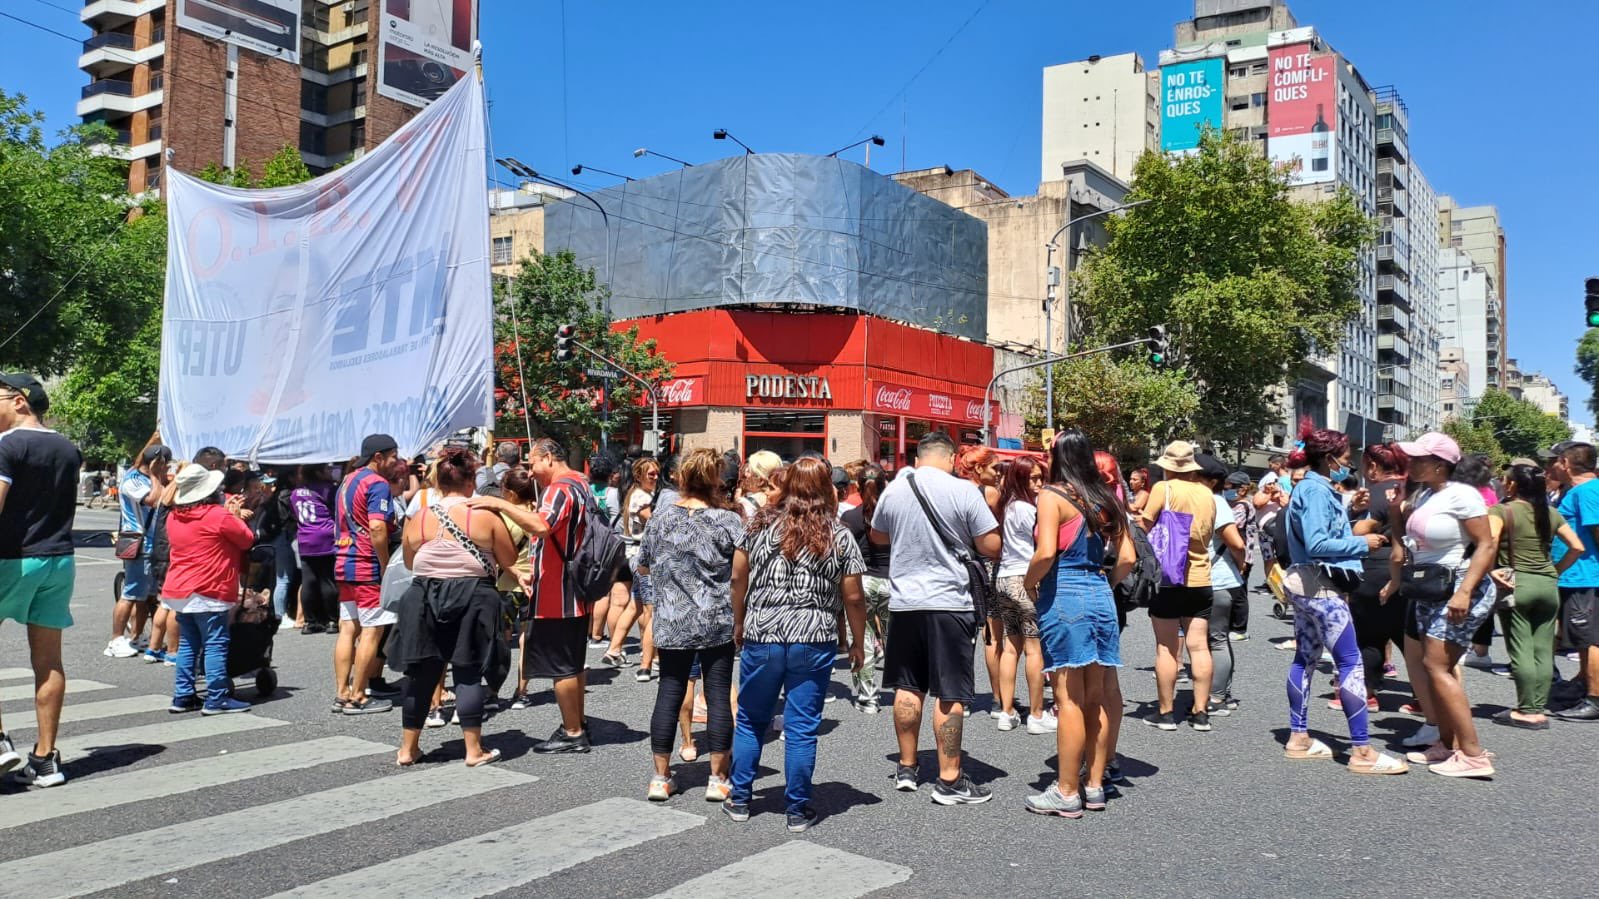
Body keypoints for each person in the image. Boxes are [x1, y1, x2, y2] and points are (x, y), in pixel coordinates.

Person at [726, 456, 866, 831]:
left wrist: (739, 620)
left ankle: (739, 798)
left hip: (763, 633)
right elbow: (853, 596)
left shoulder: (758, 526)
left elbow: (738, 578)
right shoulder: (838, 533)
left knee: (751, 720)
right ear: (827, 490)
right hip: (813, 636)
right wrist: (856, 641)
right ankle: (796, 809)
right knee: (801, 727)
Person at [870, 430, 1001, 805]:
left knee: (907, 686)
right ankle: (949, 778)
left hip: (905, 602)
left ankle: (907, 767)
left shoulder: (895, 488)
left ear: (918, 458)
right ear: (948, 458)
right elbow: (990, 545)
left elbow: (878, 536)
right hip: (949, 602)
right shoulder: (963, 490)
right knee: (950, 692)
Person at [1021, 430, 1135, 817]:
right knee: (1097, 695)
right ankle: (1095, 784)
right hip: (1100, 594)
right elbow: (1128, 558)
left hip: (1064, 593)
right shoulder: (1106, 497)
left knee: (1068, 699)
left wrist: (1029, 581)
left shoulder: (1052, 496)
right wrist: (1106, 584)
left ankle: (1067, 791)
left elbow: (1046, 551)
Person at [1279, 426, 1405, 773]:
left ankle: (1298, 736)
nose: (1348, 464)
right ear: (1329, 457)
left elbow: (1316, 535)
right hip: (1320, 585)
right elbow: (1319, 544)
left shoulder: (1312, 487)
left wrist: (1350, 510)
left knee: (1305, 658)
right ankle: (1362, 751)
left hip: (1303, 582)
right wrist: (1363, 543)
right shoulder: (1316, 490)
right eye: (1346, 457)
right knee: (1350, 661)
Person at [391, 447, 517, 767]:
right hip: (473, 593)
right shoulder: (485, 516)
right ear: (471, 481)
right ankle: (473, 750)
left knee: (421, 673)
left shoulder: (418, 518)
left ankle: (408, 749)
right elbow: (509, 559)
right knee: (468, 669)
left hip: (423, 595)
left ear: (438, 482)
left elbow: (409, 562)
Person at [1385, 432, 1498, 777]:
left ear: (1440, 464)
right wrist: (1395, 509)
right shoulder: (1428, 495)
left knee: (1437, 668)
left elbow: (1486, 545)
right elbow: (1408, 543)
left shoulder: (1463, 495)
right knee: (1435, 668)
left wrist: (1464, 591)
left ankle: (1474, 755)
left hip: (1456, 591)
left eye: (1419, 459)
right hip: (1430, 590)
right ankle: (1447, 746)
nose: (1412, 463)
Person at [635, 448, 743, 802]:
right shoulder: (727, 521)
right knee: (717, 695)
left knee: (669, 692)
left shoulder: (661, 519)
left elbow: (644, 565)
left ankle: (661, 777)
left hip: (672, 617)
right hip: (715, 617)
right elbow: (742, 572)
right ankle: (717, 777)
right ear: (715, 479)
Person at [474, 438, 594, 753]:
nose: (531, 470)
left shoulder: (559, 489)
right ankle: (577, 723)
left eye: (533, 462)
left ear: (550, 458)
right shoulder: (581, 483)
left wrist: (501, 504)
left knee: (562, 666)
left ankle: (572, 732)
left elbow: (541, 526)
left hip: (559, 589)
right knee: (573, 662)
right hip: (577, 586)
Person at [0, 373, 82, 787]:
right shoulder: (68, 448)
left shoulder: (7, 445)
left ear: (19, 401)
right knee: (48, 661)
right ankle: (46, 760)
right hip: (58, 560)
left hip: (10, 560)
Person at [1489, 462, 1585, 729]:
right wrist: (1555, 570)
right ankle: (1539, 706)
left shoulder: (1501, 510)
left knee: (1521, 648)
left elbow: (1490, 542)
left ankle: (1527, 709)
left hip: (1516, 584)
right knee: (1543, 648)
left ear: (1512, 485)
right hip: (1547, 584)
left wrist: (1490, 571)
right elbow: (1576, 546)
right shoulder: (1551, 513)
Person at [161, 462, 257, 716]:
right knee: (215, 642)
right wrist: (235, 515)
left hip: (180, 587)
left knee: (189, 643)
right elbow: (246, 539)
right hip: (209, 587)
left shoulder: (173, 516)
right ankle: (217, 697)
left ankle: (183, 695)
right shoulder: (217, 515)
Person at [1140, 440, 1219, 731]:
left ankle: (1165, 712)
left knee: (1166, 647)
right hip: (1201, 577)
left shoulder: (1165, 488)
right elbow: (1207, 533)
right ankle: (1200, 712)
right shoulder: (1207, 493)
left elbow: (1145, 526)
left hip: (1169, 578)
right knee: (1199, 646)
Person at [332, 434, 401, 715]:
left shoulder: (347, 480)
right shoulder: (377, 484)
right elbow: (377, 527)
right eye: (393, 456)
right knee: (372, 630)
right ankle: (359, 695)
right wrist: (385, 564)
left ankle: (342, 692)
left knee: (348, 628)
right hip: (366, 563)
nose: (396, 461)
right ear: (379, 457)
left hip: (343, 560)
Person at [1347, 443, 1410, 715]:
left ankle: (1368, 692)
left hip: (1376, 567)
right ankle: (1423, 697)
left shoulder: (1374, 494)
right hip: (1413, 568)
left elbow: (1360, 530)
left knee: (1369, 634)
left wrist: (1350, 515)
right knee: (1409, 636)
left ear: (1372, 467)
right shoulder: (1414, 490)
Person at [992, 455, 1052, 734]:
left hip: (1004, 578)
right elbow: (1043, 546)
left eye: (1041, 477)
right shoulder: (1029, 509)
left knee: (1010, 645)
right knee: (1033, 647)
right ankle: (1037, 714)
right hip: (1026, 579)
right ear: (1021, 479)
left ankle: (1006, 711)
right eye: (1034, 478)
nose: (1039, 483)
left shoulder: (1005, 507)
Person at [108, 444, 172, 659]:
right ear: (157, 464)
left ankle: (137, 636)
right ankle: (116, 639)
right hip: (140, 544)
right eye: (165, 465)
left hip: (156, 544)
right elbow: (153, 500)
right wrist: (156, 476)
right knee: (131, 594)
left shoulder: (151, 478)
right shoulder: (133, 480)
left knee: (147, 596)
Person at [1551, 442, 1599, 720]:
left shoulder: (1587, 492)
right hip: (1577, 576)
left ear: (1566, 463)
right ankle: (1584, 683)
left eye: (1556, 461)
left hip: (1586, 575)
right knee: (1583, 639)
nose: (1553, 467)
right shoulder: (1579, 491)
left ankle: (1594, 698)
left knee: (1589, 639)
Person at [956, 445, 1005, 716]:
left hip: (957, 565)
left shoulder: (952, 492)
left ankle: (960, 696)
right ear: (978, 468)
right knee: (991, 635)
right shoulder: (989, 494)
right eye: (994, 468)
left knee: (963, 636)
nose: (998, 474)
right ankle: (998, 698)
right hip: (985, 566)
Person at [840, 464, 891, 713]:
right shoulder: (894, 515)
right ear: (885, 486)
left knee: (862, 640)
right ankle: (906, 688)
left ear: (857, 487)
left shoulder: (849, 518)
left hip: (861, 582)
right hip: (893, 582)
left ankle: (868, 696)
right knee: (899, 640)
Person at [1199, 455, 1247, 717]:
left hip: (1211, 579)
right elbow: (1237, 547)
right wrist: (1240, 566)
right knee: (1214, 640)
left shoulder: (1214, 501)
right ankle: (1218, 694)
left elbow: (1236, 542)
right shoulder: (1213, 500)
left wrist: (1240, 562)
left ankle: (1216, 696)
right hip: (1218, 578)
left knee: (1213, 640)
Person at [605, 456, 658, 670]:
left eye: (656, 473)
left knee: (635, 605)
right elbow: (655, 523)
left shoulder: (634, 494)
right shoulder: (642, 497)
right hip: (642, 558)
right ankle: (652, 659)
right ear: (639, 476)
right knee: (651, 609)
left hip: (633, 555)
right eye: (650, 474)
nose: (655, 477)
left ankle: (614, 649)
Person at [1224, 472, 1258, 640]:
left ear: (1242, 490)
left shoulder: (1243, 506)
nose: (1226, 489)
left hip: (1243, 555)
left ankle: (1240, 628)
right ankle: (1229, 624)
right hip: (1230, 554)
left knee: (1239, 592)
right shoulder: (1230, 504)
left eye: (1230, 487)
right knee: (1230, 590)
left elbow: (1232, 525)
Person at [738, 450, 782, 517]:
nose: (745, 474)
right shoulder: (785, 504)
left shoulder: (746, 505)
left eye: (749, 471)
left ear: (761, 479)